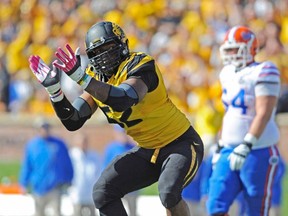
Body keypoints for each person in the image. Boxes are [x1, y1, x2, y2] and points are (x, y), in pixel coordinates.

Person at [28, 21, 204, 216]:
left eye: (109, 48)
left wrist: (82, 78)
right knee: (103, 192)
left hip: (180, 143)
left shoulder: (140, 64)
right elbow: (73, 120)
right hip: (148, 149)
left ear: (122, 45)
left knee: (169, 193)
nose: (104, 56)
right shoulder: (95, 78)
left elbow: (124, 98)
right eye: (97, 52)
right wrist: (55, 92)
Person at [206, 25, 281, 216]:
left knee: (255, 210)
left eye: (235, 49)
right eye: (228, 49)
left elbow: (263, 112)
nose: (231, 54)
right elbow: (230, 113)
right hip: (229, 149)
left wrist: (247, 144)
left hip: (257, 150)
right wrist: (221, 143)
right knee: (215, 205)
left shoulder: (265, 70)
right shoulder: (226, 73)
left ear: (250, 48)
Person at [19, 118, 74, 216]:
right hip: (38, 186)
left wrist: (69, 179)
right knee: (39, 213)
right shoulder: (32, 145)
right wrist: (23, 183)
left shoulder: (59, 144)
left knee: (56, 212)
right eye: (42, 127)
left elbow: (67, 162)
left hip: (55, 186)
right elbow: (27, 165)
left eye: (46, 127)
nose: (44, 130)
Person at [103, 125, 138, 216]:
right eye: (120, 133)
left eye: (124, 132)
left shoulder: (133, 147)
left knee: (132, 211)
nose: (122, 135)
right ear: (115, 133)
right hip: (116, 188)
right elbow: (105, 168)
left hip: (131, 188)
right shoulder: (111, 148)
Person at [68, 132, 102, 216]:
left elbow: (98, 173)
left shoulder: (94, 155)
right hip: (77, 194)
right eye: (80, 142)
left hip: (91, 195)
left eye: (84, 141)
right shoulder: (72, 156)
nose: (83, 144)